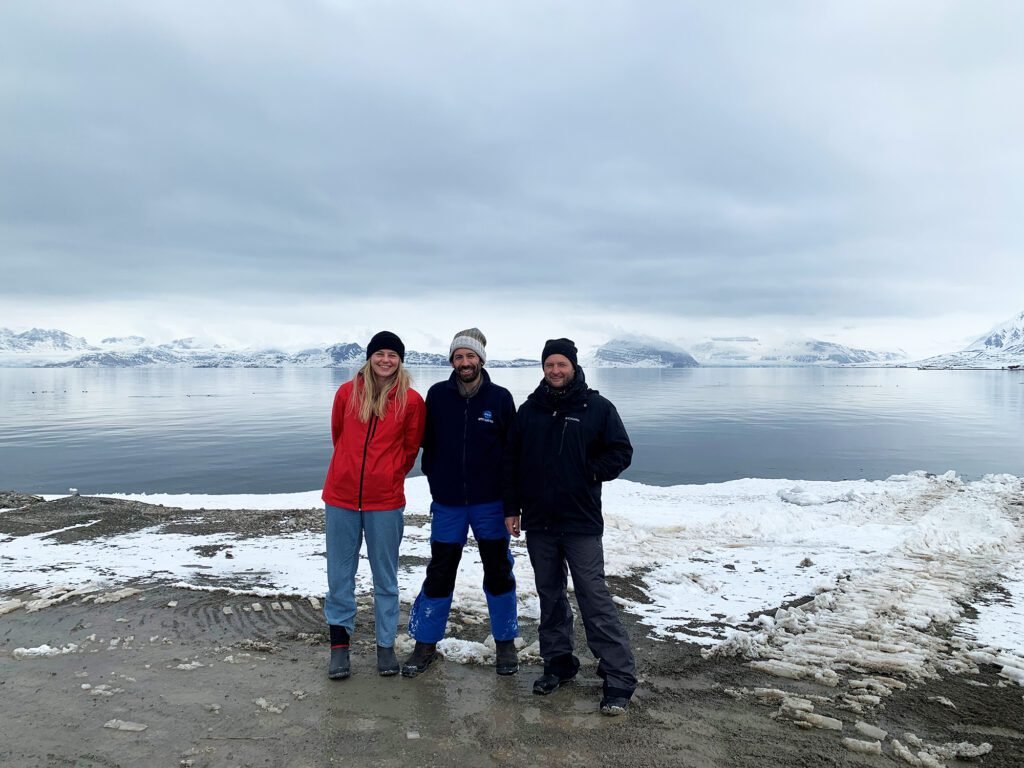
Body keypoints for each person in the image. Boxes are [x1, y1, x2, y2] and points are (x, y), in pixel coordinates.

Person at [504, 337, 637, 715]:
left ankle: (619, 678)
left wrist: (590, 471)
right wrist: (511, 508)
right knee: (550, 596)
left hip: (581, 523)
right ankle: (558, 664)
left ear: (574, 367)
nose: (556, 370)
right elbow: (511, 463)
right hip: (541, 523)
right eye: (550, 365)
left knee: (593, 597)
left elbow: (621, 451)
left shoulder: (596, 407)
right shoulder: (530, 411)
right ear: (543, 368)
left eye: (562, 364)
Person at [403, 328, 519, 677]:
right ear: (452, 361)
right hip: (449, 503)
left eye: (470, 356)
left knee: (498, 571)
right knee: (440, 572)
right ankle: (425, 644)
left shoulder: (500, 398)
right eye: (458, 357)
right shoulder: (437, 395)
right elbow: (425, 440)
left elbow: (513, 454)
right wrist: (436, 476)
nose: (464, 362)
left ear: (481, 359)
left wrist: (512, 505)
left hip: (491, 503)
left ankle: (505, 643)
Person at [322, 330, 426, 679]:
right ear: (370, 357)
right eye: (379, 354)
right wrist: (348, 471)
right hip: (341, 498)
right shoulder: (346, 394)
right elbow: (339, 436)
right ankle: (339, 647)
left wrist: (390, 475)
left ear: (400, 360)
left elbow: (411, 449)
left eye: (392, 355)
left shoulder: (411, 401)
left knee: (386, 578)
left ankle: (385, 647)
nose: (385, 360)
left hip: (385, 501)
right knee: (340, 576)